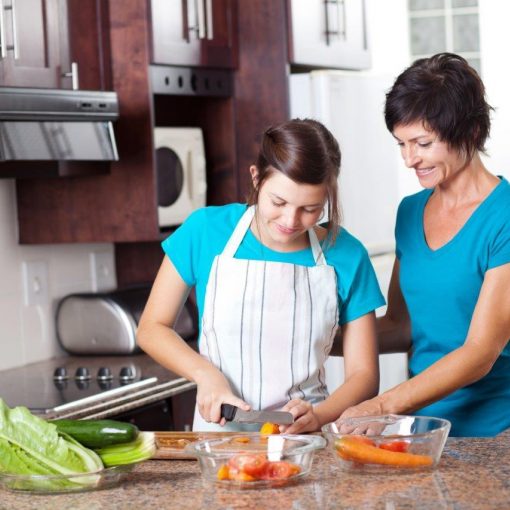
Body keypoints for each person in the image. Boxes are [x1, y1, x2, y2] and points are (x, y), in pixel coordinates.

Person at [137, 118, 385, 432]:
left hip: (303, 438)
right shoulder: (205, 230)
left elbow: (364, 375)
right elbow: (151, 328)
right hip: (219, 437)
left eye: (310, 208)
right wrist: (204, 374)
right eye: (278, 202)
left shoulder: (348, 254)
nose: (291, 220)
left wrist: (320, 416)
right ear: (257, 179)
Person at [337, 53, 510, 437]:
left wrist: (382, 405)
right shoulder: (410, 212)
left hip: (495, 436)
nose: (409, 159)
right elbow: (403, 326)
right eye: (401, 144)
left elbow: (481, 352)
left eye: (422, 143)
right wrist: (315, 341)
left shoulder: (505, 216)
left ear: (468, 132)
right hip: (424, 432)